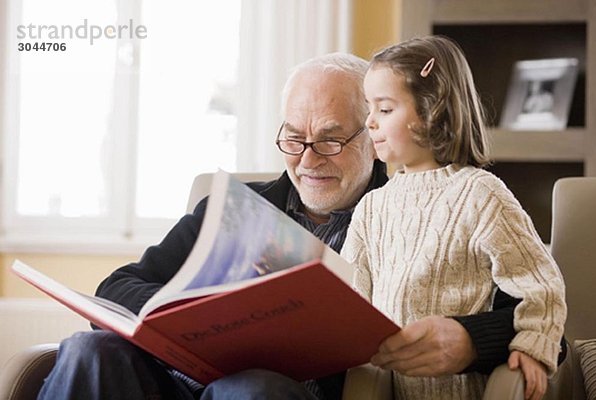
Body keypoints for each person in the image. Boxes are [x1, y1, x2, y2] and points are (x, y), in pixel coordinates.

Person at [37, 52, 560, 400]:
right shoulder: (235, 209)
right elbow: (117, 286)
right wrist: (191, 311)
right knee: (88, 351)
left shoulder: (410, 213)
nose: (309, 158)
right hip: (179, 382)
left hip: (279, 393)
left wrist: (470, 340)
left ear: (372, 135)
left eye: (331, 139)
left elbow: (544, 321)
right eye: (294, 137)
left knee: (249, 389)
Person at [341, 35, 567, 400]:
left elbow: (540, 285)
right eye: (369, 108)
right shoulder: (371, 208)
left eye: (384, 109)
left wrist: (532, 345)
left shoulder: (481, 194)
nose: (369, 122)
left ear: (432, 111)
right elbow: (352, 298)